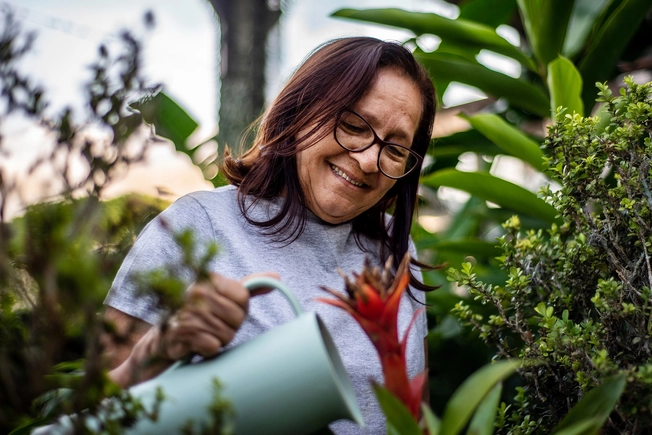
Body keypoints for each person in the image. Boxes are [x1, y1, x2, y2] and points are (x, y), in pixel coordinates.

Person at [103, 36, 437, 434]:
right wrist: (162, 347)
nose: (368, 160)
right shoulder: (195, 226)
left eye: (396, 150)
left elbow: (417, 416)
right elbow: (101, 409)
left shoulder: (393, 251)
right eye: (352, 125)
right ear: (300, 109)